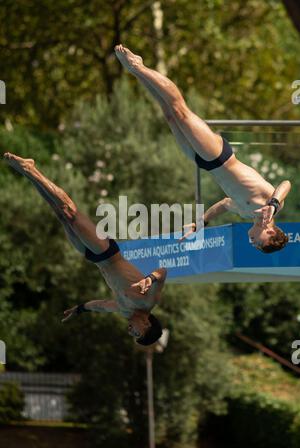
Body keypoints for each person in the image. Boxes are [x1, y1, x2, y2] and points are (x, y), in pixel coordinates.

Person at [115, 45, 292, 253]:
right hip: (220, 157)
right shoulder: (271, 209)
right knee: (180, 111)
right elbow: (286, 184)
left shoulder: (247, 213)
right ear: (270, 233)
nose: (253, 242)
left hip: (204, 162)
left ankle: (137, 74)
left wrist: (201, 223)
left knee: (169, 115)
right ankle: (139, 66)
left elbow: (225, 203)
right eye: (259, 243)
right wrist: (272, 203)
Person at [3, 152, 166, 346]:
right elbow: (163, 272)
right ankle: (29, 169)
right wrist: (150, 278)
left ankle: (29, 171)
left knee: (60, 215)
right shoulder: (148, 302)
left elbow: (101, 306)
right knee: (69, 212)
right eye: (137, 334)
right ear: (147, 325)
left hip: (93, 258)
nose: (130, 331)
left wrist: (79, 309)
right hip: (108, 252)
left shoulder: (124, 310)